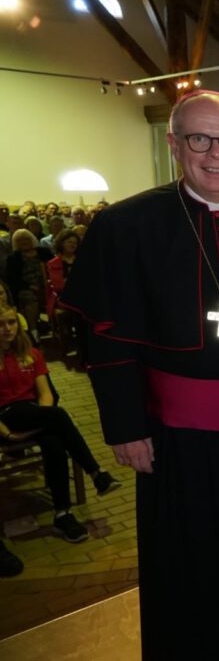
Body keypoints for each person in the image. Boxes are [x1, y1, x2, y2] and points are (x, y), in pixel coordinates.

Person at [60, 89, 219, 660]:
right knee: (191, 564)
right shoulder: (126, 226)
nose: (214, 154)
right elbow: (103, 334)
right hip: (176, 440)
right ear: (174, 144)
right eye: (199, 139)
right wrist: (125, 426)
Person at [0, 302, 120, 543]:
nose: (7, 328)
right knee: (58, 416)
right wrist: (10, 436)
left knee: (53, 441)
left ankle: (62, 513)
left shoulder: (31, 353)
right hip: (4, 419)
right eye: (1, 324)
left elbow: (45, 393)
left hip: (33, 415)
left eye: (11, 322)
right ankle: (96, 472)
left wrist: (44, 419)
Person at [6, 229, 52, 340]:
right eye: (20, 240)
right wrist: (31, 287)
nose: (24, 242)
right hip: (27, 288)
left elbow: (54, 267)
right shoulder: (13, 258)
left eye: (26, 239)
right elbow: (14, 279)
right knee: (29, 298)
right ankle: (33, 331)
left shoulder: (44, 252)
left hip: (48, 285)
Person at [45, 230, 80, 365]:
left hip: (81, 296)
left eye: (75, 243)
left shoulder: (82, 260)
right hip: (62, 298)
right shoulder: (54, 262)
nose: (72, 245)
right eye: (69, 242)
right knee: (79, 310)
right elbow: (58, 285)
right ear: (61, 243)